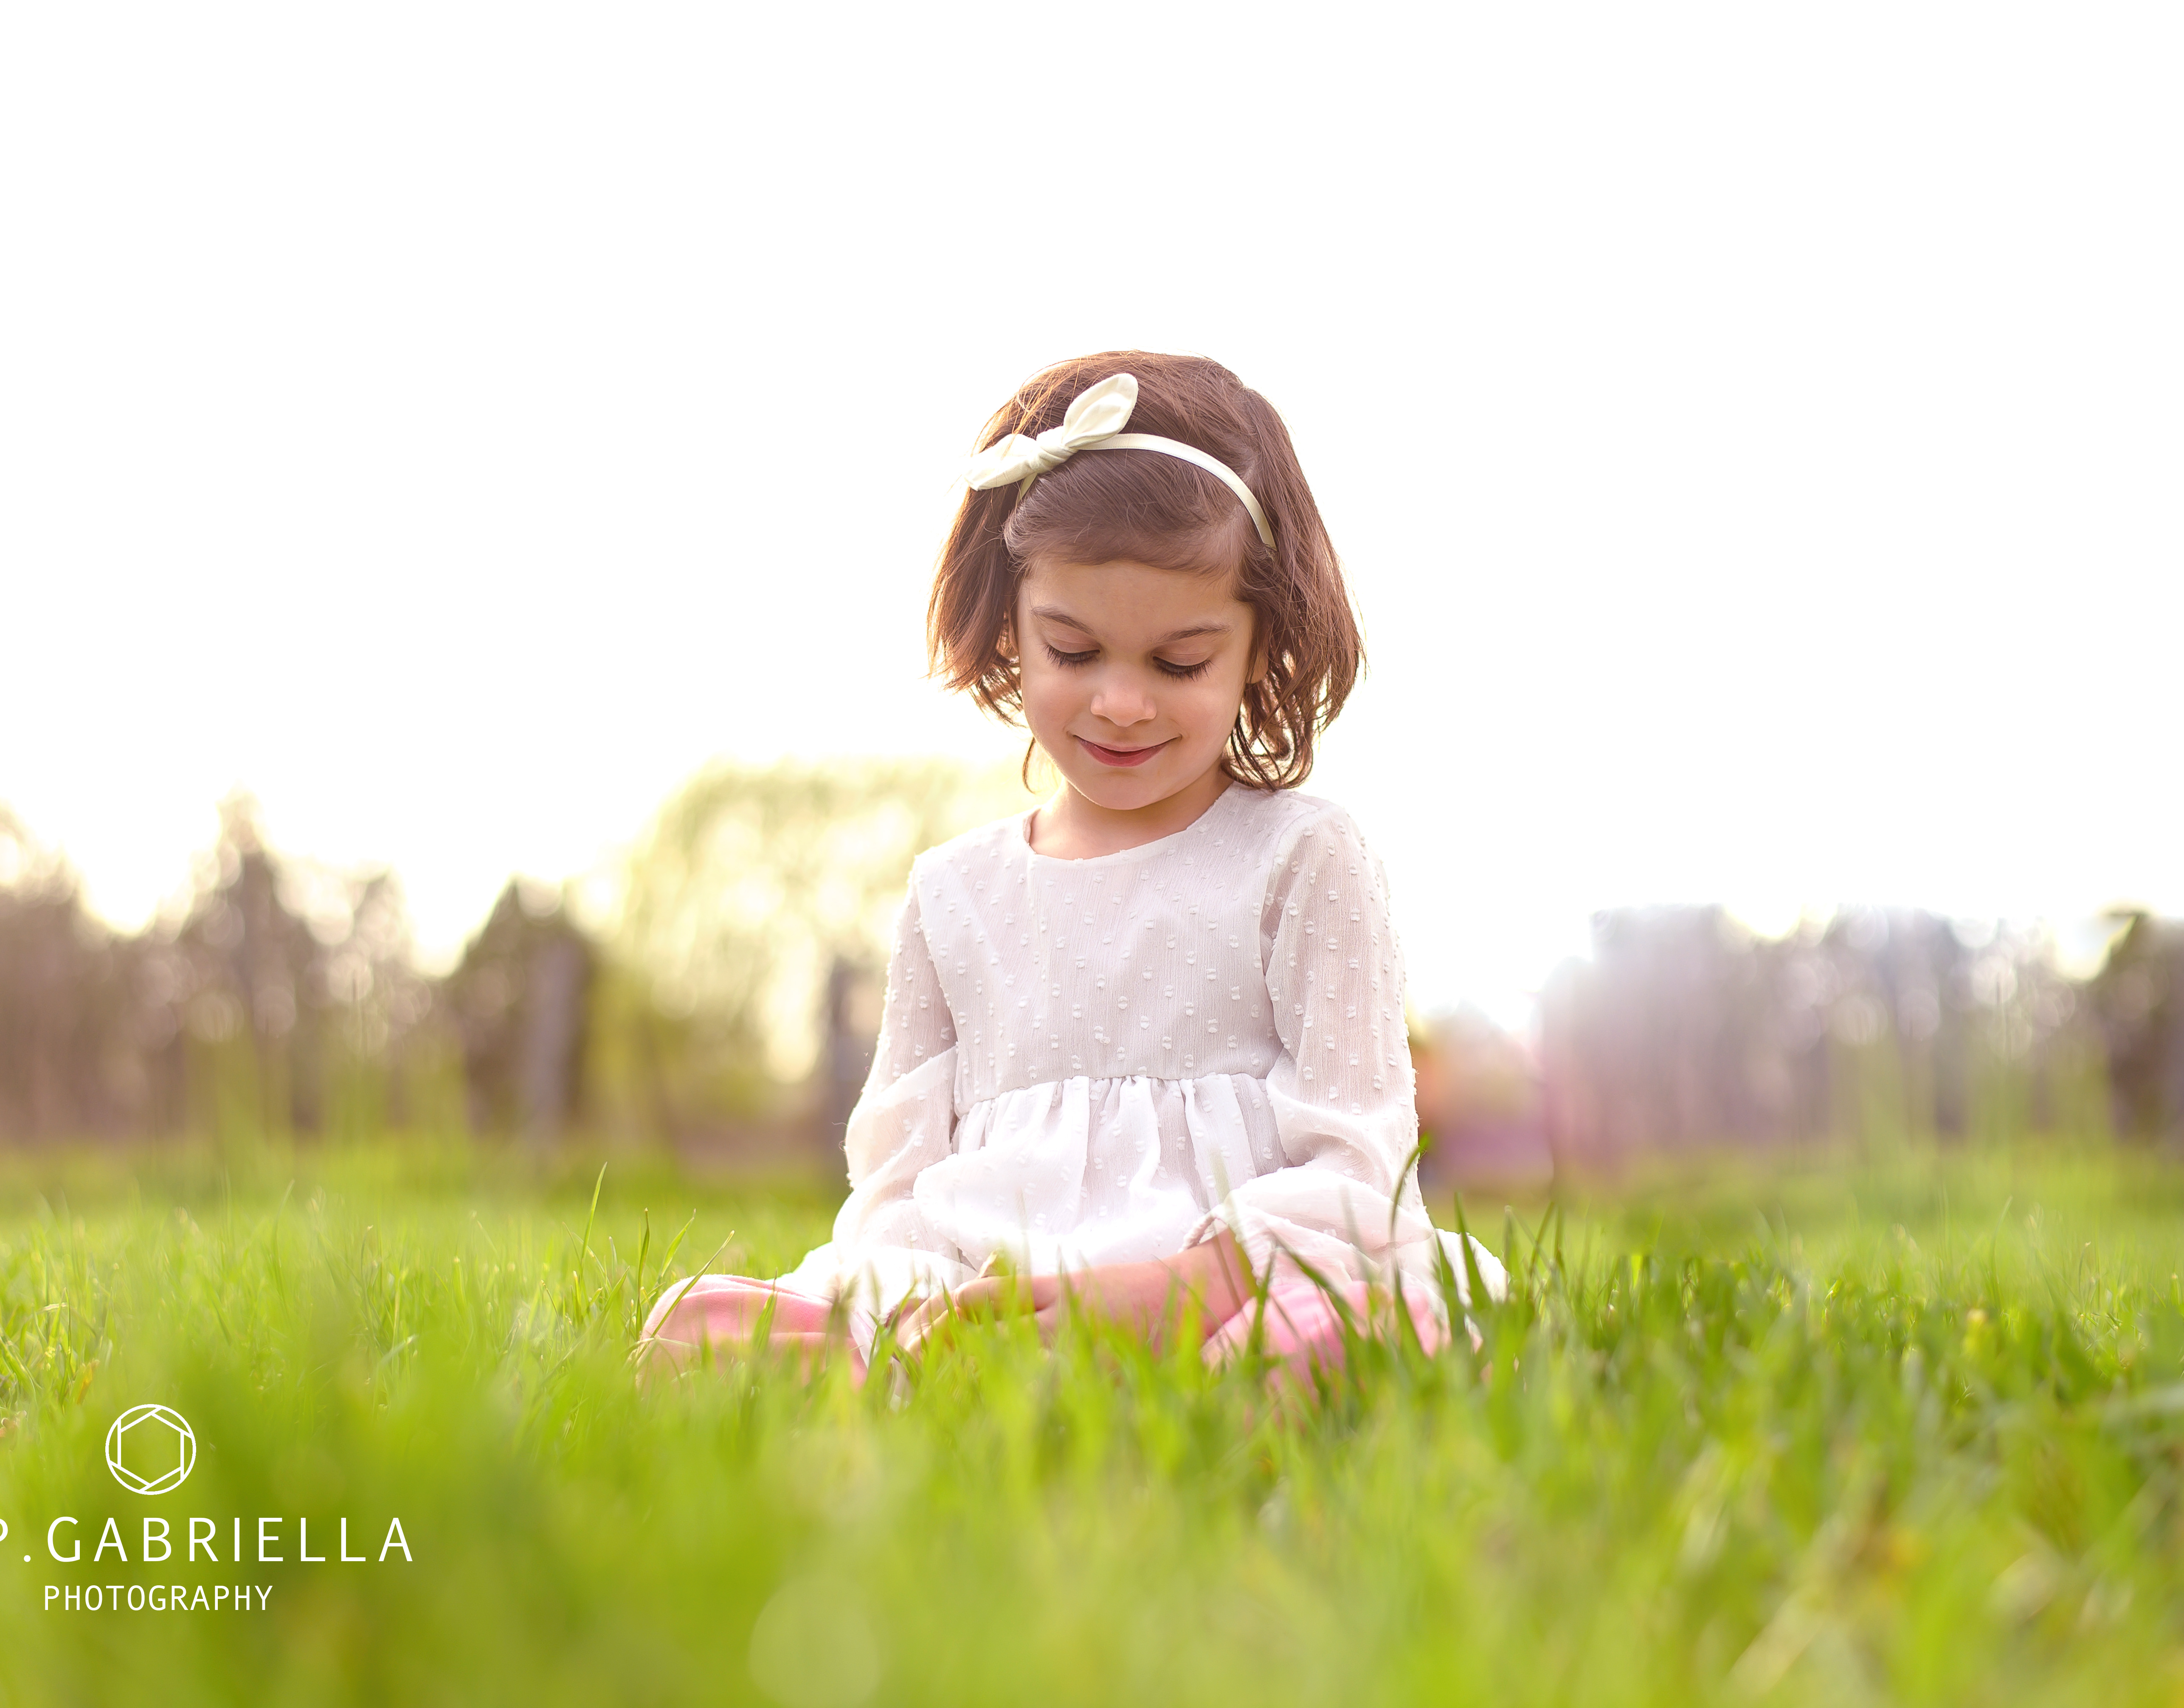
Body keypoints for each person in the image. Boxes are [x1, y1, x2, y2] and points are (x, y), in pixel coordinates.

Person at [643, 352, 1505, 1382]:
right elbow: (901, 1186)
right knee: (695, 1324)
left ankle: (1218, 1382)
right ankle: (934, 1368)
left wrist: (1178, 1291)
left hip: (1226, 1290)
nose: (1122, 703)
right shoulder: (953, 894)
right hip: (991, 1293)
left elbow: (1358, 1158)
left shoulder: (1301, 857)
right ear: (1010, 626)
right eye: (1073, 650)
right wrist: (915, 1306)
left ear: (1259, 645)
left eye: (1179, 662)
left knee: (1364, 1319)